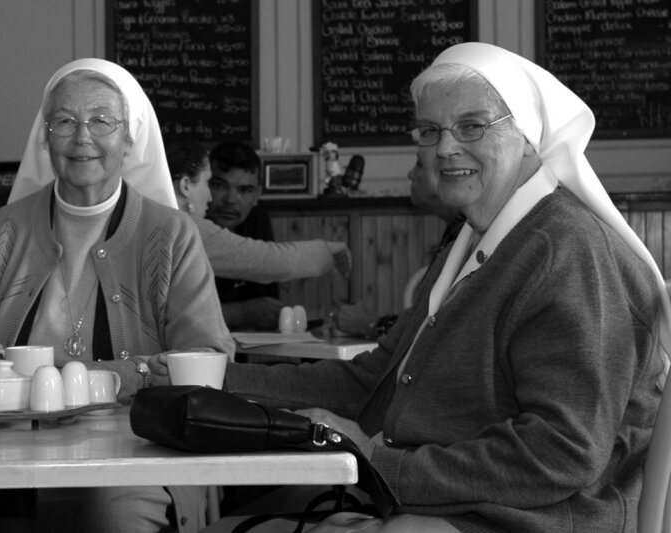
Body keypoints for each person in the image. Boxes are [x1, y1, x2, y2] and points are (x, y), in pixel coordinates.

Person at [167, 42, 671, 532]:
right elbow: (374, 380)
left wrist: (380, 463)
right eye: (430, 130)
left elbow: (561, 452)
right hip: (446, 505)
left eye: (472, 126)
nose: (446, 148)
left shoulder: (566, 250)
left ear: (527, 135)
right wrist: (210, 378)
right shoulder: (477, 239)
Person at [0, 58, 233, 533]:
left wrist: (128, 374)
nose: (83, 137)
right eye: (64, 121)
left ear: (130, 138)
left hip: (134, 455)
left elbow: (210, 361)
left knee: (112, 515)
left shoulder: (171, 236)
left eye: (102, 120)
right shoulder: (1, 233)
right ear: (45, 137)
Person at [167, 142, 351, 284]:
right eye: (211, 184)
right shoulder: (183, 229)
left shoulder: (161, 218)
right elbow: (270, 261)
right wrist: (327, 250)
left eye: (245, 190)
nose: (210, 197)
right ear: (185, 186)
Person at [334, 153, 463, 338]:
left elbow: (432, 328)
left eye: (419, 164)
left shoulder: (468, 233)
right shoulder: (457, 229)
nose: (409, 174)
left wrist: (368, 324)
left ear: (448, 175)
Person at [205, 140, 283, 330]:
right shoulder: (185, 224)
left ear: (257, 194)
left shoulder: (257, 220)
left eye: (245, 190)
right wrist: (241, 313)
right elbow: (170, 315)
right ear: (203, 186)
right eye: (219, 185)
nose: (230, 200)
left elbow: (267, 304)